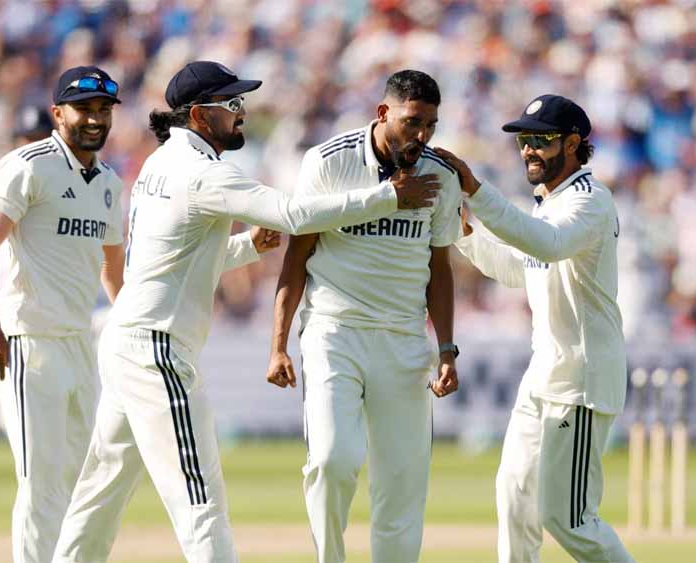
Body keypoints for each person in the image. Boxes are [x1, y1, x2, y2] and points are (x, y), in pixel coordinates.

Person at [51, 61, 441, 563]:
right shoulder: (202, 171)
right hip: (156, 351)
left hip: (128, 341)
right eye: (232, 104)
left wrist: (247, 247)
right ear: (199, 115)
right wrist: (388, 196)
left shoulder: (159, 162)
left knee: (98, 497)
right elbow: (295, 215)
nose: (242, 113)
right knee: (201, 502)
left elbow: (177, 261)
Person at [265, 69, 461, 563]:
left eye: (431, 125)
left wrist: (446, 349)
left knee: (402, 483)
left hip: (403, 337)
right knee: (333, 460)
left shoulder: (439, 175)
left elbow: (439, 268)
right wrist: (278, 344)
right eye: (413, 122)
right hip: (335, 330)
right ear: (383, 113)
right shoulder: (329, 161)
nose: (422, 136)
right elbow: (297, 254)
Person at [432, 94, 634, 563]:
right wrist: (464, 233)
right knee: (515, 495)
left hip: (580, 381)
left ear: (573, 144)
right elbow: (521, 269)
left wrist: (477, 190)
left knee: (569, 518)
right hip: (544, 374)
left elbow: (550, 245)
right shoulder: (548, 203)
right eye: (524, 140)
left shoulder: (590, 200)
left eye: (541, 140)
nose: (528, 150)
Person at [0, 65, 126, 562]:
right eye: (84, 109)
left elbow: (113, 268)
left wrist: (132, 325)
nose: (95, 119)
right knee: (40, 483)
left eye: (103, 110)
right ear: (58, 114)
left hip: (79, 345)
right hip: (28, 343)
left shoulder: (109, 182)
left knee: (85, 482)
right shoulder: (27, 165)